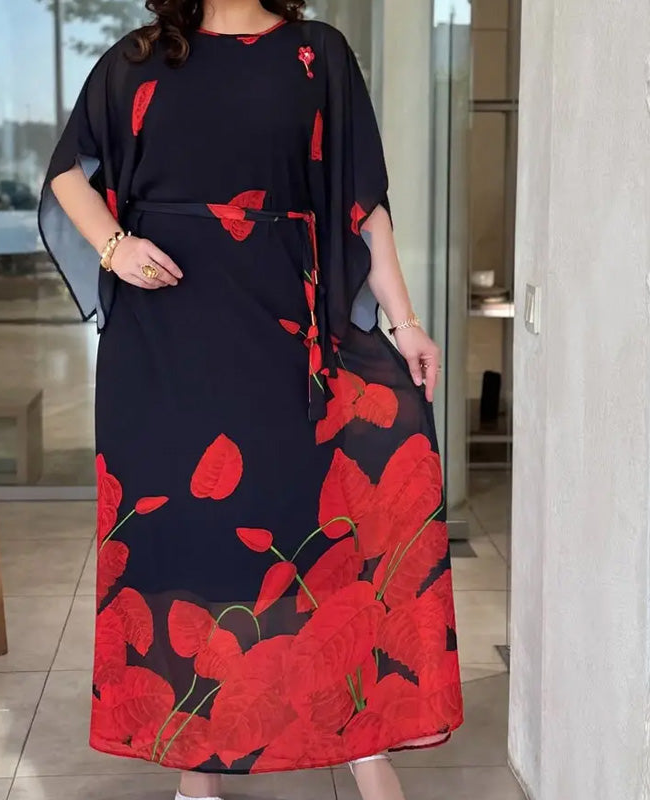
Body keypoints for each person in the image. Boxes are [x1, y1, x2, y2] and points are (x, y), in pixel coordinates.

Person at [39, 1, 463, 798]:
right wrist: (114, 246)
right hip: (162, 340)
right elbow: (68, 170)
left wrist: (404, 322)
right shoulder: (138, 58)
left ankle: (361, 738)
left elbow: (362, 203)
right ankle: (194, 762)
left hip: (283, 326)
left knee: (310, 524)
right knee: (187, 537)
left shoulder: (318, 54)